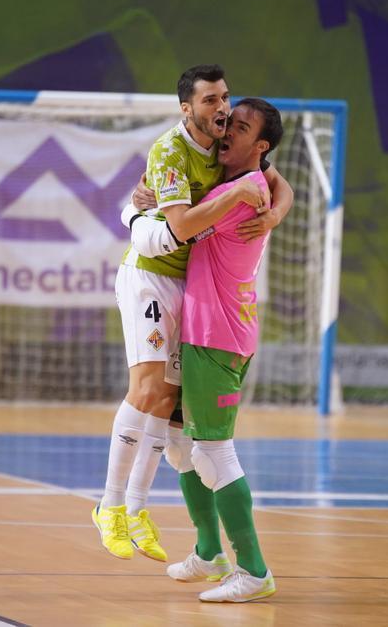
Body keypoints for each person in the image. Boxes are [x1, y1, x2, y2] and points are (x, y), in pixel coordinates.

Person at [93, 65, 293, 563]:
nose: (223, 109)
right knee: (148, 393)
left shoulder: (229, 154)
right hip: (151, 273)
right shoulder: (171, 150)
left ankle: (139, 509)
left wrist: (274, 208)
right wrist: (136, 213)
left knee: (167, 404)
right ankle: (109, 505)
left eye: (225, 99)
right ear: (187, 108)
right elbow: (178, 226)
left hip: (192, 290)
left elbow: (275, 179)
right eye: (211, 101)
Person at [156, 97, 283, 603]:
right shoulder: (243, 186)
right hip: (200, 333)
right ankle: (210, 552)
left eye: (241, 126)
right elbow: (276, 184)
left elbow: (183, 227)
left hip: (220, 339)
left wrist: (148, 206)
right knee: (180, 448)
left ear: (262, 146)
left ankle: (254, 571)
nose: (227, 129)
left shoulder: (246, 192)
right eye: (227, 121)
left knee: (213, 455)